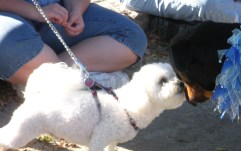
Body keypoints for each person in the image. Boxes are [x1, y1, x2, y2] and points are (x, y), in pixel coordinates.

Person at [0, 0, 147, 88]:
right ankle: (82, 82)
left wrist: (76, 10)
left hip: (56, 13)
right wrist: (35, 12)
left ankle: (44, 80)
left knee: (131, 38)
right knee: (9, 45)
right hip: (9, 15)